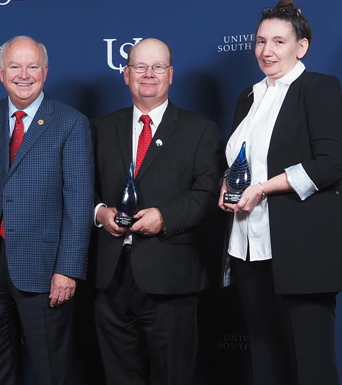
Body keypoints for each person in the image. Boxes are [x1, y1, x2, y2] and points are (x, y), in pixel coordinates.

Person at [0, 35, 93, 385]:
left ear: (45, 72)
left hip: (47, 270)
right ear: (1, 73)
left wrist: (68, 269)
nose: (24, 75)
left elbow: (79, 204)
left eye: (32, 66)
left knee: (50, 371)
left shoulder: (71, 122)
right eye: (15, 66)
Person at [218, 1, 342, 384]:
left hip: (301, 249)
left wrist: (264, 188)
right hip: (249, 246)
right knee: (265, 356)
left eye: (278, 41)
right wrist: (229, 183)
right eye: (260, 41)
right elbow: (245, 159)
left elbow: (331, 162)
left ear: (300, 47)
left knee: (311, 362)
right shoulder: (249, 96)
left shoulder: (318, 87)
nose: (266, 51)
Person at [91, 38, 221, 385]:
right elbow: (80, 190)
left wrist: (164, 216)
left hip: (171, 276)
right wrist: (101, 213)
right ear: (126, 74)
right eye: (139, 67)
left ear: (171, 74)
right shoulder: (99, 129)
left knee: (174, 375)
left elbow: (208, 195)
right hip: (110, 276)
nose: (148, 74)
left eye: (158, 67)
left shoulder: (200, 129)